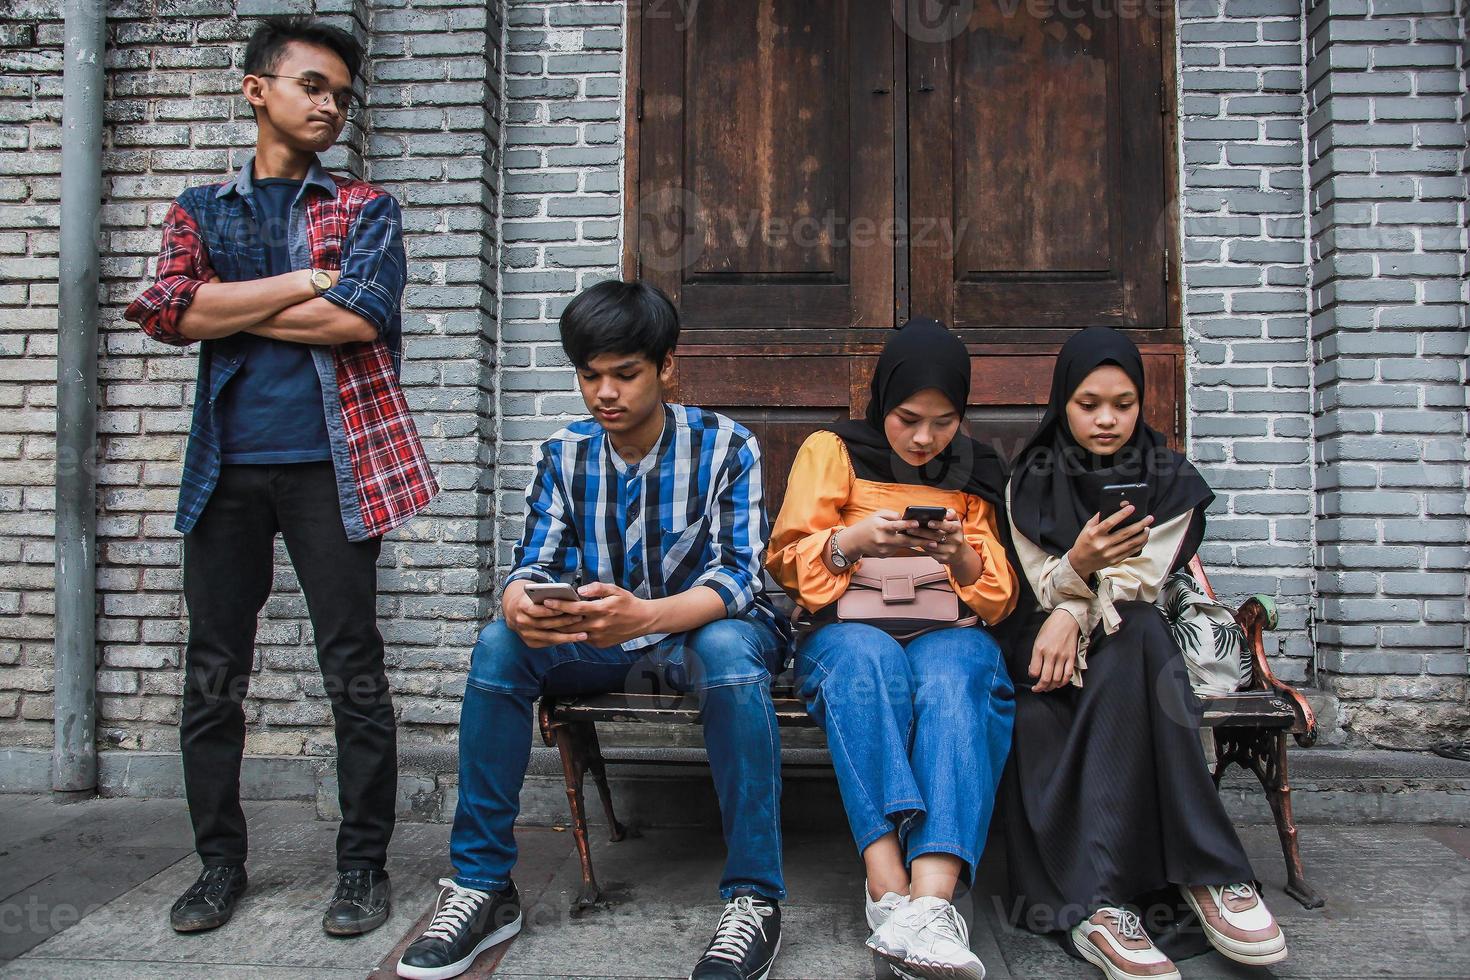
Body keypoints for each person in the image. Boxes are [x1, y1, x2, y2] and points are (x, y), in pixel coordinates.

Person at [123, 17, 435, 937]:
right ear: (257, 88)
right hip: (225, 472)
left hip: (335, 472)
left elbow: (361, 321)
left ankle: (363, 867)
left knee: (354, 671)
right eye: (311, 85)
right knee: (215, 674)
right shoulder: (200, 208)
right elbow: (167, 312)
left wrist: (227, 308)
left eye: (341, 93)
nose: (330, 105)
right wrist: (304, 280)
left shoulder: (366, 207)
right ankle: (219, 865)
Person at [396, 281, 790, 980]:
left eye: (625, 374)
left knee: (730, 649)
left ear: (666, 367)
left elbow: (738, 577)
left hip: (698, 637)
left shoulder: (729, 445)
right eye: (590, 375)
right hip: (603, 639)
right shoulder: (563, 454)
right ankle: (484, 886)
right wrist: (519, 597)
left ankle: (754, 897)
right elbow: (533, 562)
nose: (605, 392)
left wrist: (647, 615)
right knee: (498, 644)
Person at [997, 327, 1287, 980]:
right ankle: (1166, 883)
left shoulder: (1169, 479)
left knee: (1140, 629)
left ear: (1142, 402)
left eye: (1124, 404)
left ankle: (1148, 892)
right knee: (1093, 665)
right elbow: (1035, 582)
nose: (1107, 420)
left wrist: (1075, 605)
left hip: (1116, 638)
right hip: (1040, 646)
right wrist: (1075, 567)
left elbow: (1140, 581)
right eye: (1088, 403)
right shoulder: (1029, 481)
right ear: (1061, 403)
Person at [766, 318, 1017, 980]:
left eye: (943, 422)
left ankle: (929, 903)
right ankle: (887, 882)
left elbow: (997, 597)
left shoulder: (976, 469)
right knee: (867, 663)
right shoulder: (834, 449)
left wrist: (960, 552)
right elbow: (788, 560)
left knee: (960, 674)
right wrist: (853, 543)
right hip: (848, 632)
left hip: (946, 631)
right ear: (882, 402)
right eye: (908, 418)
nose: (924, 438)